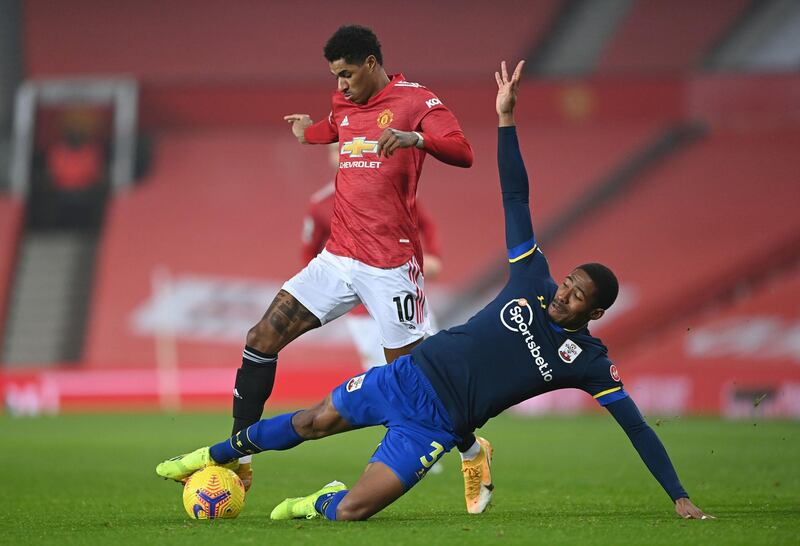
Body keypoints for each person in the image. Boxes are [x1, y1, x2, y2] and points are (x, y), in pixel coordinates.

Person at [159, 61, 712, 522]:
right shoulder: (530, 277)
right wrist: (506, 119)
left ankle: (318, 501)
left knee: (352, 512)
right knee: (311, 421)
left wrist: (680, 497)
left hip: (436, 424)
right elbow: (515, 197)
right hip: (407, 375)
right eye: (567, 282)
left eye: (576, 295)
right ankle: (209, 454)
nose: (563, 293)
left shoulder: (588, 362)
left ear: (596, 311)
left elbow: (637, 427)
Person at [230, 24, 484, 507]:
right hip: (338, 257)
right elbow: (335, 126)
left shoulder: (417, 100)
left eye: (347, 74)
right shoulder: (344, 103)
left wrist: (415, 139)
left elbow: (464, 152)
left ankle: (472, 448)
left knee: (413, 387)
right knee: (260, 339)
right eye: (335, 77)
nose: (341, 85)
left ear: (371, 62)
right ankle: (241, 457)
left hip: (391, 266)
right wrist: (308, 133)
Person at [301, 145, 444, 370]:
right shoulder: (321, 204)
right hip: (363, 312)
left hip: (405, 294)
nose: (341, 154)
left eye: (345, 147)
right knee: (382, 375)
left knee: (430, 363)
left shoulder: (395, 189)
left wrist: (433, 256)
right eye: (334, 150)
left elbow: (426, 223)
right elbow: (309, 255)